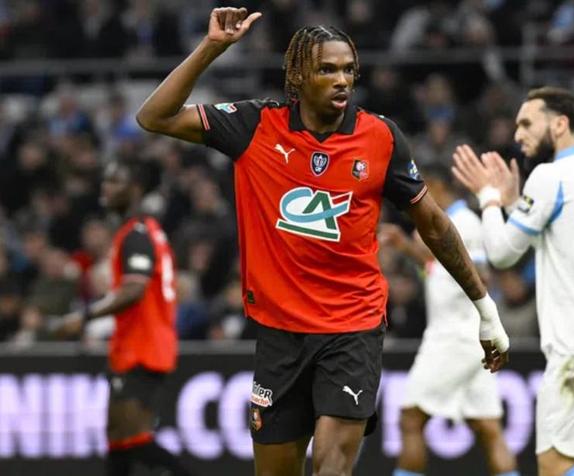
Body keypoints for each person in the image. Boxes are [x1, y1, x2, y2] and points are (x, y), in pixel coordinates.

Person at [135, 7, 510, 476]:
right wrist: (211, 48)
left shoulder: (380, 137)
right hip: (279, 332)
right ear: (297, 76)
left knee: (331, 469)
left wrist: (485, 307)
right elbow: (154, 116)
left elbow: (434, 224)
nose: (342, 81)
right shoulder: (255, 126)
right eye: (327, 70)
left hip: (352, 327)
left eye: (349, 70)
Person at [452, 86, 574, 476]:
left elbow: (501, 253)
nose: (517, 134)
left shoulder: (550, 176)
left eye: (527, 123)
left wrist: (488, 198)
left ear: (559, 124)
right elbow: (558, 238)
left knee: (554, 467)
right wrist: (514, 204)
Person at [379, 168, 519, 476]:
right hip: (468, 339)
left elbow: (480, 274)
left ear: (436, 185)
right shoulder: (447, 222)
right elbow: (443, 266)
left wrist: (424, 249)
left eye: (422, 186)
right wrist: (407, 247)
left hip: (452, 339)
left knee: (411, 420)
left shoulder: (465, 222)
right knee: (488, 428)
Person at [58, 159, 190, 476]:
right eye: (106, 180)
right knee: (118, 438)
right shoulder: (144, 231)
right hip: (137, 343)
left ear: (136, 188)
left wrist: (85, 316)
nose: (106, 187)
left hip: (142, 346)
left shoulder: (136, 235)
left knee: (133, 439)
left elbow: (134, 290)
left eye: (116, 181)